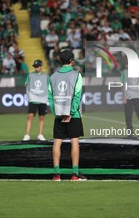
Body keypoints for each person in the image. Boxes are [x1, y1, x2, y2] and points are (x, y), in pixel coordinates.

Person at [48, 50, 86, 181]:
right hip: (73, 115)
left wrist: (58, 113)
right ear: (72, 61)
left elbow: (50, 98)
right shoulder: (77, 75)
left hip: (59, 115)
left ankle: (56, 174)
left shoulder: (52, 76)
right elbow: (77, 96)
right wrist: (70, 113)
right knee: (74, 141)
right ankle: (75, 174)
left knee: (57, 142)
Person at [23, 60, 48, 141]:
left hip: (42, 100)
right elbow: (26, 84)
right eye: (35, 66)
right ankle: (27, 134)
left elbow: (49, 87)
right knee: (30, 116)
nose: (36, 68)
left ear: (41, 66)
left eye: (37, 66)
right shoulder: (30, 75)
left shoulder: (46, 76)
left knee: (42, 117)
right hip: (33, 99)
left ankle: (40, 134)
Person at [121, 65, 139, 136]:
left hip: (138, 95)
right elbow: (122, 84)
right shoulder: (124, 72)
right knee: (128, 115)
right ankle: (130, 133)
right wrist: (123, 96)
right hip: (128, 96)